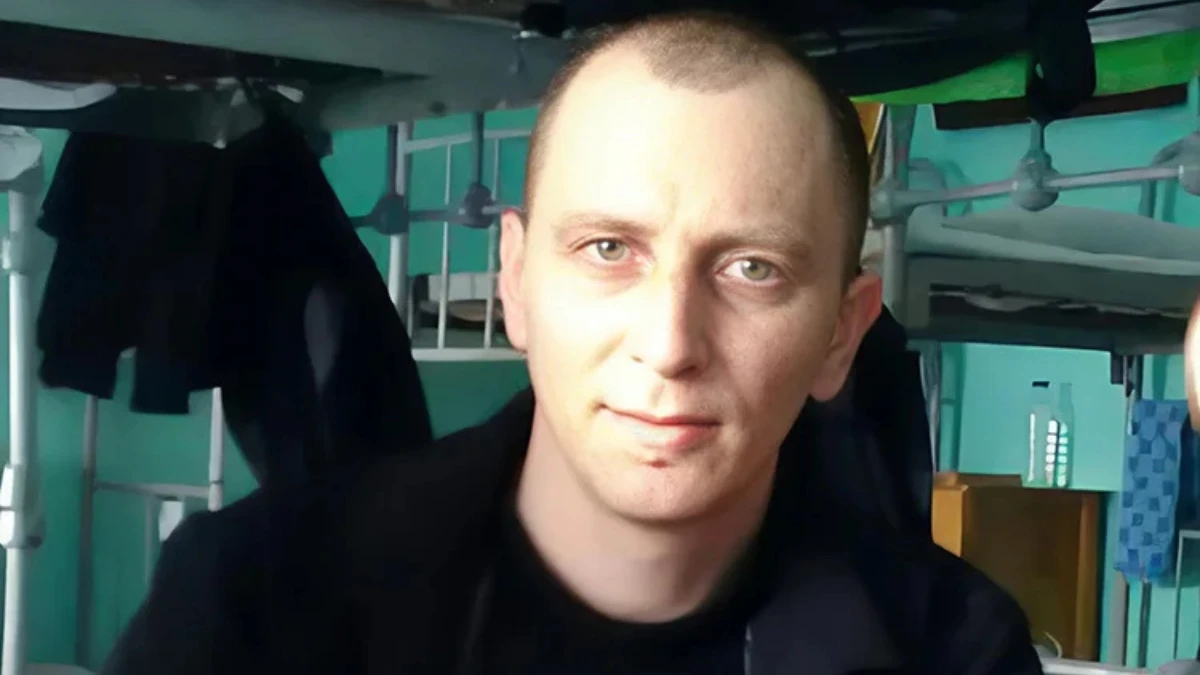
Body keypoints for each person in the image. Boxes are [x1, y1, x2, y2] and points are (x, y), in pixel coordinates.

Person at [103, 10, 1043, 675]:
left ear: (842, 334)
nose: (669, 345)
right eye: (608, 250)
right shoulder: (256, 600)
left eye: (751, 268)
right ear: (515, 282)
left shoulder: (951, 648)